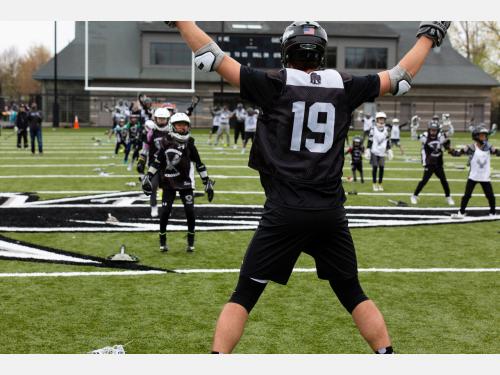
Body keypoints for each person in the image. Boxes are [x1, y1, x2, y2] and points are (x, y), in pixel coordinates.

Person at [171, 19, 450, 354]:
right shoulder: (344, 84)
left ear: (286, 51)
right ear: (321, 53)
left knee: (244, 294)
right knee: (352, 292)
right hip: (329, 212)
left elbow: (211, 56)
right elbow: (401, 77)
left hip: (284, 211)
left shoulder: (273, 83)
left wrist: (182, 19)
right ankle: (386, 356)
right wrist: (429, 36)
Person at [142, 112, 215, 252]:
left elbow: (199, 164)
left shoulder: (190, 143)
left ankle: (190, 240)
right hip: (168, 181)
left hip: (186, 182)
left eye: (185, 125)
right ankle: (162, 240)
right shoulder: (165, 141)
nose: (182, 128)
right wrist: (148, 177)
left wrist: (206, 182)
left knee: (190, 212)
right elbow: (157, 162)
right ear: (172, 126)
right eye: (179, 125)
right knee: (164, 212)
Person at [449, 125, 500, 218]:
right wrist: (449, 149)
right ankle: (461, 212)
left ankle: (492, 213)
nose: (484, 137)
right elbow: (458, 153)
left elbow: (497, 152)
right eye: (482, 135)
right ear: (476, 136)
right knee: (467, 196)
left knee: (490, 196)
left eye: (485, 135)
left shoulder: (488, 147)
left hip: (485, 177)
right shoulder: (471, 147)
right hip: (473, 176)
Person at [137, 107, 171, 217]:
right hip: (154, 164)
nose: (161, 121)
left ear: (167, 119)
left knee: (168, 188)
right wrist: (142, 160)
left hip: (168, 165)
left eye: (163, 119)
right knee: (153, 186)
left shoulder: (171, 132)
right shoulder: (151, 133)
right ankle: (154, 207)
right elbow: (145, 148)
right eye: (159, 119)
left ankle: (166, 208)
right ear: (155, 119)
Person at [410, 122, 454, 205]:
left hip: (438, 163)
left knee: (444, 181)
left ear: (437, 130)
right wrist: (414, 128)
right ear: (429, 130)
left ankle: (448, 197)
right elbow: (414, 137)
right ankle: (414, 196)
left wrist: (449, 123)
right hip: (429, 162)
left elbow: (451, 132)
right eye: (432, 130)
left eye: (435, 130)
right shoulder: (425, 137)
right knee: (424, 181)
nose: (433, 132)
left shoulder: (440, 136)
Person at [366, 112, 393, 191]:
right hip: (374, 151)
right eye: (380, 119)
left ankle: (380, 184)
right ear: (377, 120)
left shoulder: (386, 129)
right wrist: (368, 149)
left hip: (382, 152)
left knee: (381, 168)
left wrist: (389, 150)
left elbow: (387, 141)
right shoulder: (373, 129)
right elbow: (370, 140)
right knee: (374, 167)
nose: (381, 120)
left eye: (383, 119)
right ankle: (374, 184)